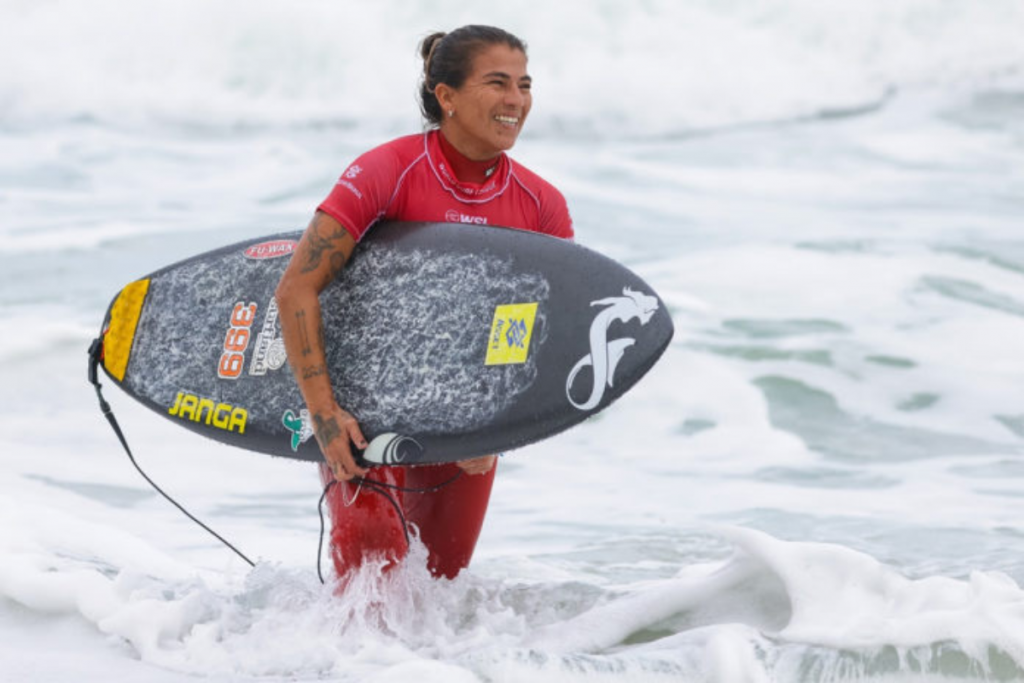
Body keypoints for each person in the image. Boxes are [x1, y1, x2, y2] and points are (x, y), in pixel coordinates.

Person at [275, 25, 574, 580]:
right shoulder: (387, 172)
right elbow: (297, 287)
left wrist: (498, 426)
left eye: (525, 85)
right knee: (371, 582)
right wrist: (324, 413)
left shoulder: (541, 206)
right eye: (498, 83)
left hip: (466, 423)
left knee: (440, 588)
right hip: (362, 410)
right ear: (447, 96)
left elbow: (530, 324)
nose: (516, 99)